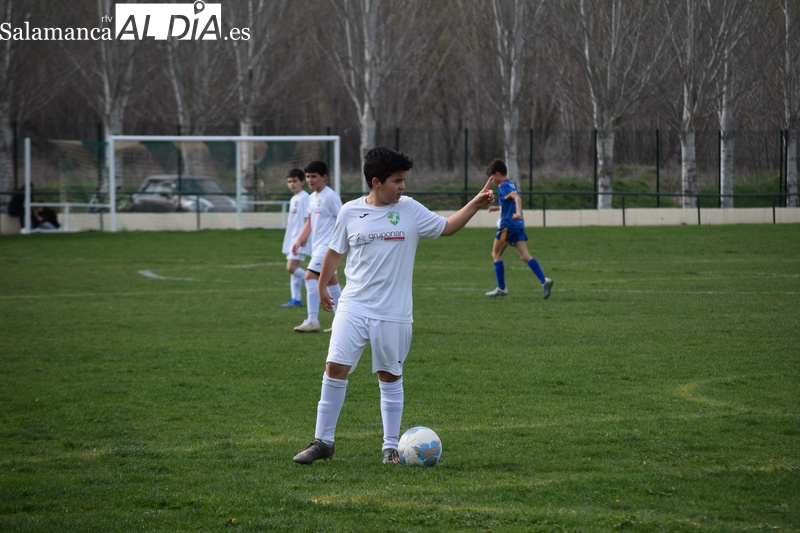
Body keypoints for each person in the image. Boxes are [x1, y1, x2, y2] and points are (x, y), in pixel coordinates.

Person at [292, 146, 495, 465]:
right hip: (354, 305)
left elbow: (446, 227)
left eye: (403, 180)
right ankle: (323, 442)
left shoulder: (410, 209)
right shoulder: (350, 212)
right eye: (397, 180)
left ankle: (390, 448)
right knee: (335, 368)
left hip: (394, 312)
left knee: (389, 375)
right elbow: (334, 251)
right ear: (376, 181)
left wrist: (474, 203)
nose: (402, 186)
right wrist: (321, 284)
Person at [483, 159, 553, 299]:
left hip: (508, 226)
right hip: (518, 226)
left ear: (497, 174)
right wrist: (497, 208)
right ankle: (544, 281)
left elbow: (517, 199)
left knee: (496, 254)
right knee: (525, 256)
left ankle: (501, 288)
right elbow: (510, 204)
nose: (492, 180)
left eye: (492, 177)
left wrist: (518, 213)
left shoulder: (503, 186)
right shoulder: (511, 184)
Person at [291, 160, 343, 332]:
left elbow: (343, 220)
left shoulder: (331, 196)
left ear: (324, 177)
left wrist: (340, 243)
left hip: (328, 247)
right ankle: (343, 322)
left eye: (314, 176)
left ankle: (313, 321)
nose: (310, 180)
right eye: (307, 177)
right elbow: (310, 222)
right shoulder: (312, 198)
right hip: (317, 246)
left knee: (309, 277)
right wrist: (299, 240)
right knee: (332, 283)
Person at [280, 169, 310, 307]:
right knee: (294, 269)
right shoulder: (294, 198)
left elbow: (308, 219)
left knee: (291, 267)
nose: (292, 184)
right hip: (292, 238)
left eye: (295, 181)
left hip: (300, 239)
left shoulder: (304, 198)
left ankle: (315, 282)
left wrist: (303, 238)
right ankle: (296, 299)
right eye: (289, 181)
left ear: (302, 182)